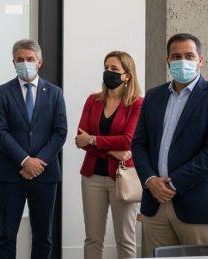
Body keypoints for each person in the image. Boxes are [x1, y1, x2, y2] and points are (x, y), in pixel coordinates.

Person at [131, 33, 208, 256]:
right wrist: (150, 181)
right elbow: (139, 143)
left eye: (189, 55)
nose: (182, 61)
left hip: (198, 204)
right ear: (167, 60)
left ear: (200, 60)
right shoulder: (154, 96)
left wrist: (172, 184)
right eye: (176, 56)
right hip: (155, 203)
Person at [0, 39, 67, 259]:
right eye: (20, 60)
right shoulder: (2, 92)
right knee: (6, 234)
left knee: (43, 236)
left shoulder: (54, 93)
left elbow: (60, 132)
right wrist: (25, 161)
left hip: (45, 174)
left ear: (39, 62)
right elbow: (0, 132)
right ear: (13, 62)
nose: (25, 63)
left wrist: (38, 162)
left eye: (30, 59)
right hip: (10, 173)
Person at [74, 51, 143, 259]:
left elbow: (128, 140)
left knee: (125, 239)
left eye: (114, 69)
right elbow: (80, 139)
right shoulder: (93, 100)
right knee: (93, 238)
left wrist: (93, 140)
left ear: (127, 75)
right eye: (106, 68)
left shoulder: (137, 103)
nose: (108, 72)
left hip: (123, 178)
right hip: (92, 177)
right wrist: (114, 150)